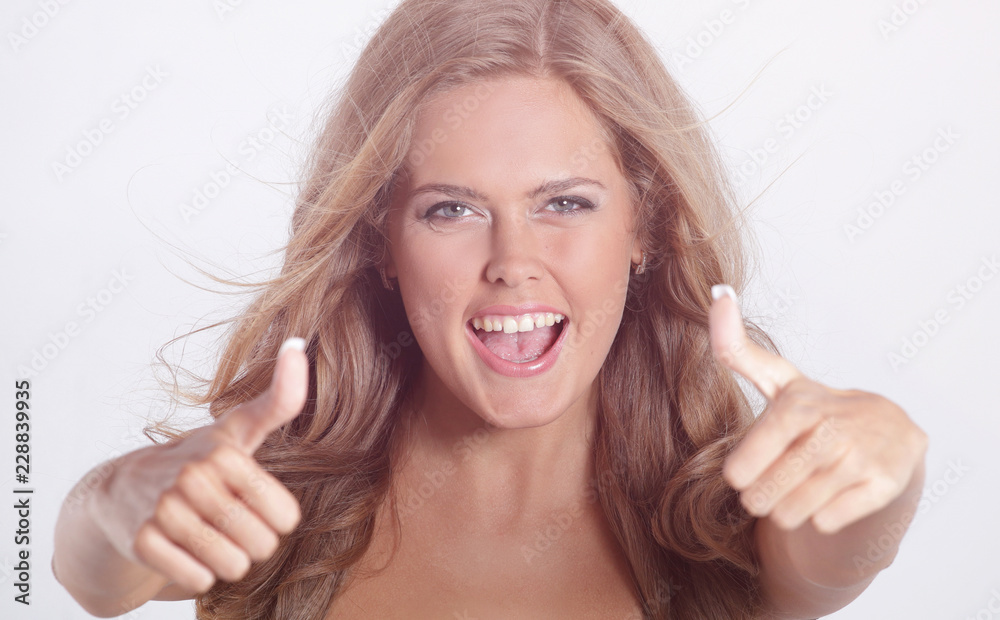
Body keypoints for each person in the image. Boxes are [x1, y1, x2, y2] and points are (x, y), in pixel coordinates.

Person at [52, 0, 929, 618]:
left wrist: (891, 463)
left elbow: (840, 553)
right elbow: (88, 576)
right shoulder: (266, 501)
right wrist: (112, 503)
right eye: (452, 210)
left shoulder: (728, 514)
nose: (513, 262)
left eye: (565, 203)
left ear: (648, 224)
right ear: (381, 244)